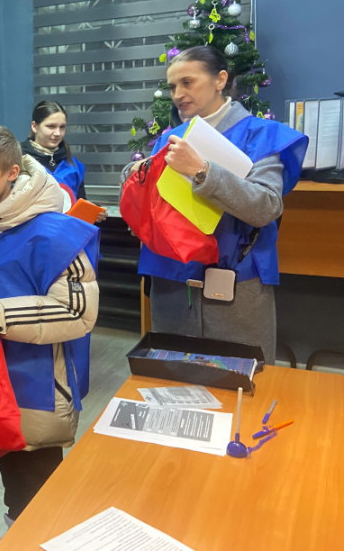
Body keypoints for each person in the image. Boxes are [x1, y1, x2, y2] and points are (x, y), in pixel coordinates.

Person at [121, 46, 307, 366]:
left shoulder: (263, 136)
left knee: (239, 378)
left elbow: (265, 207)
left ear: (220, 80)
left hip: (236, 289)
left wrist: (202, 171)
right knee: (174, 377)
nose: (177, 94)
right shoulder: (170, 139)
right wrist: (135, 173)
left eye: (188, 82)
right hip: (172, 287)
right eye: (172, 86)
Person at [0, 124, 99, 523]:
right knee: (15, 485)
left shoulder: (54, 233)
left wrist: (3, 314)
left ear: (12, 173)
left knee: (38, 493)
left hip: (39, 380)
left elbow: (77, 311)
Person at [21, 101, 105, 225]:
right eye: (51, 126)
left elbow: (78, 204)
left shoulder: (74, 166)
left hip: (64, 233)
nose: (57, 133)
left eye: (62, 127)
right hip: (27, 233)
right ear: (35, 127)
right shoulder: (17, 160)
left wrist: (92, 211)